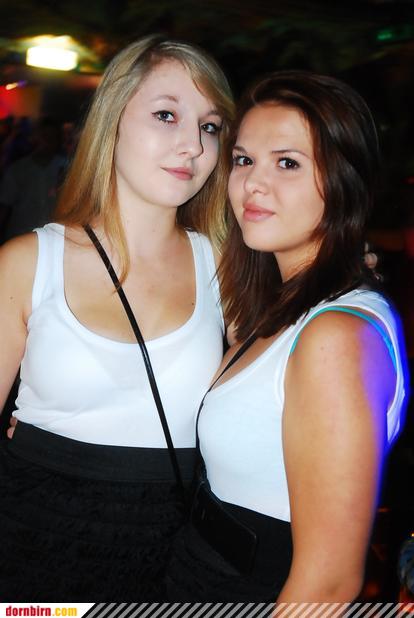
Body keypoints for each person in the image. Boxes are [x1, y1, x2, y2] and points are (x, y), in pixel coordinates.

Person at [0, 35, 234, 601]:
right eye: (166, 115)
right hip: (30, 551)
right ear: (112, 121)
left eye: (209, 126)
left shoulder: (225, 266)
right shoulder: (30, 262)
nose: (193, 145)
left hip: (170, 558)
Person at [165, 70, 408, 602]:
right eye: (244, 160)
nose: (253, 183)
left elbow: (328, 585)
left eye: (288, 163)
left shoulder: (335, 336)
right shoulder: (280, 307)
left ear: (344, 183)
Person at [0, 116, 67, 243]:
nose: (48, 141)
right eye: (44, 136)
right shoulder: (18, 169)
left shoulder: (66, 167)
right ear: (35, 138)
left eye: (52, 137)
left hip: (53, 239)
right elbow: (5, 206)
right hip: (20, 237)